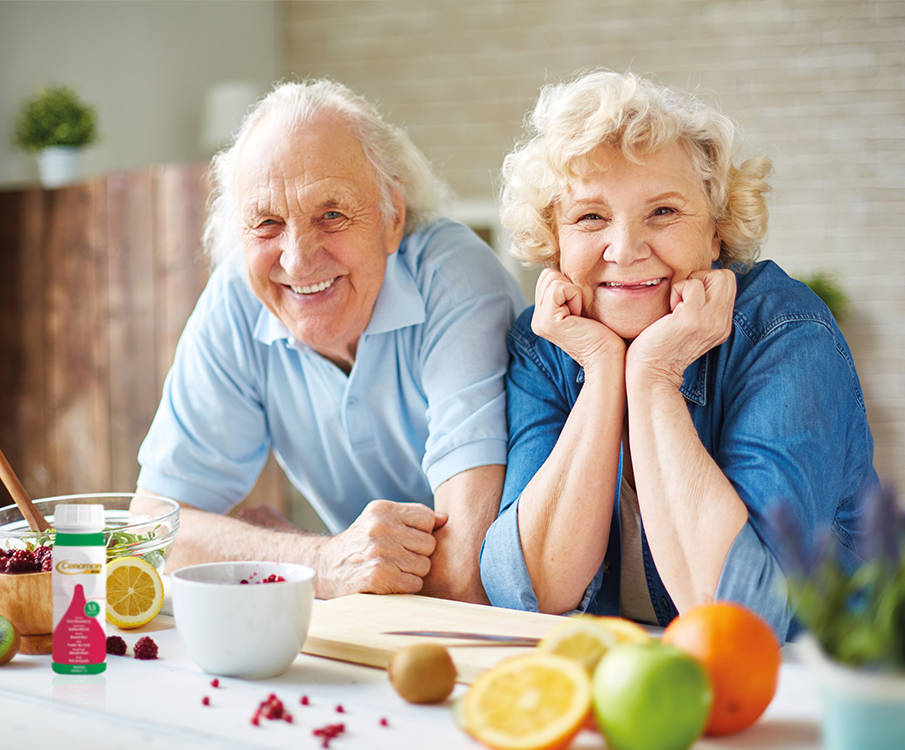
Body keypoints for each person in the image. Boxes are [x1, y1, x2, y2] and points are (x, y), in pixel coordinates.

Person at [479, 70, 878, 640]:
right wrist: (603, 370)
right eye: (591, 216)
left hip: (825, 679)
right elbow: (528, 589)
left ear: (716, 231)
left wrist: (654, 374)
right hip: (652, 679)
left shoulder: (786, 332)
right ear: (556, 239)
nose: (625, 250)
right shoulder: (548, 342)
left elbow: (743, 612)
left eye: (663, 212)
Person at [135, 79, 525, 603]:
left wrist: (280, 553)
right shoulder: (238, 296)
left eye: (332, 215)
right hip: (377, 628)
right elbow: (153, 533)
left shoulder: (453, 278)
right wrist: (320, 560)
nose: (298, 261)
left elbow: (465, 572)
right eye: (267, 222)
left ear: (392, 215)